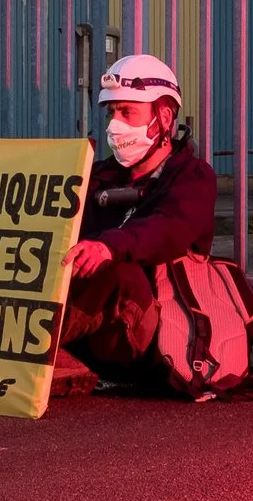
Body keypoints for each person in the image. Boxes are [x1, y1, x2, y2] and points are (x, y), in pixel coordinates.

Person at [58, 53, 217, 380]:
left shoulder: (193, 177)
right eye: (112, 112)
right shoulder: (97, 175)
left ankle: (29, 347)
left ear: (164, 116)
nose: (115, 124)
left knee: (114, 269)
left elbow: (167, 229)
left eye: (128, 111)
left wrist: (107, 248)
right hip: (97, 333)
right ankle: (43, 351)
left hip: (155, 336)